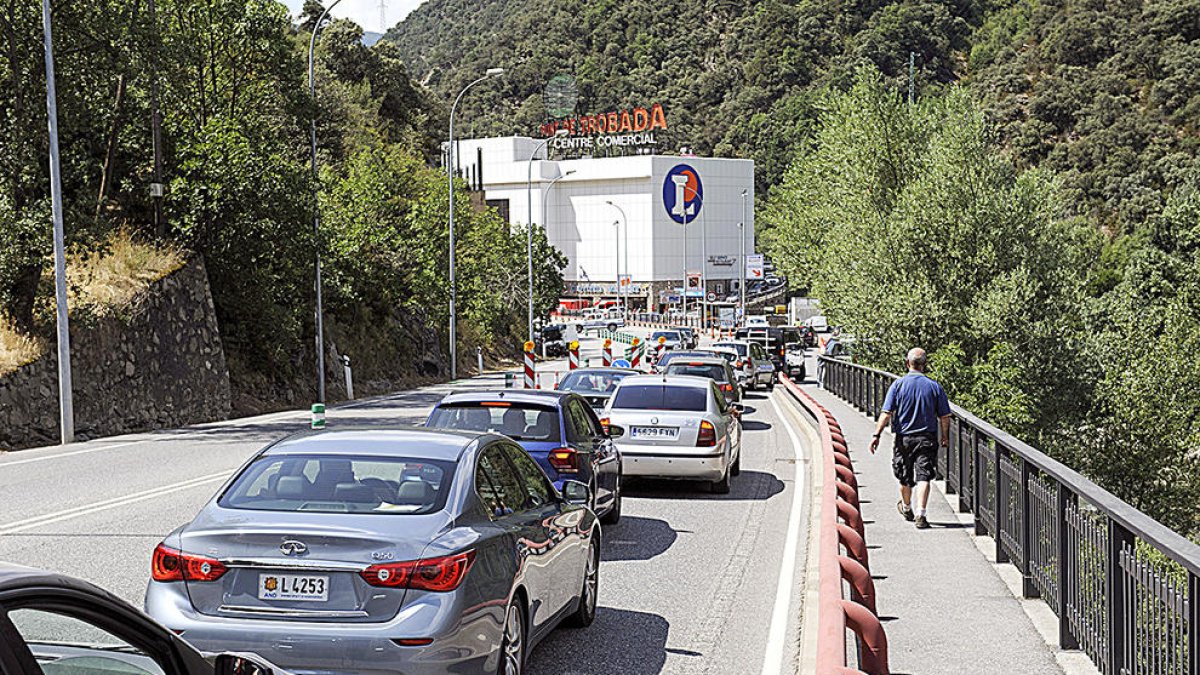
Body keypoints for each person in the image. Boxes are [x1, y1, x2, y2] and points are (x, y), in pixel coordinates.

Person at [868, 347, 950, 529]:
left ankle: (906, 507)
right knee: (924, 476)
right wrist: (945, 436)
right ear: (925, 365)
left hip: (904, 439)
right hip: (927, 438)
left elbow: (886, 412)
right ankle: (921, 514)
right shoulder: (934, 387)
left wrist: (876, 435)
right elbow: (944, 416)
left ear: (907, 363)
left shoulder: (898, 385)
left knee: (904, 477)